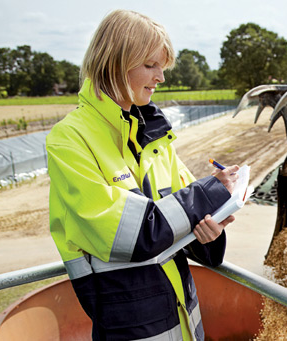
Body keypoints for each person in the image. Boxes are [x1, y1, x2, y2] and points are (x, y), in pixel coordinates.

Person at [46, 9, 239, 340]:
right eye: (150, 65)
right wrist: (207, 194)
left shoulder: (155, 135)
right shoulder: (68, 139)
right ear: (114, 64)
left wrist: (210, 232)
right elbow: (132, 234)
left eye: (161, 66)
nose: (161, 77)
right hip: (129, 326)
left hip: (185, 318)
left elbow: (186, 220)